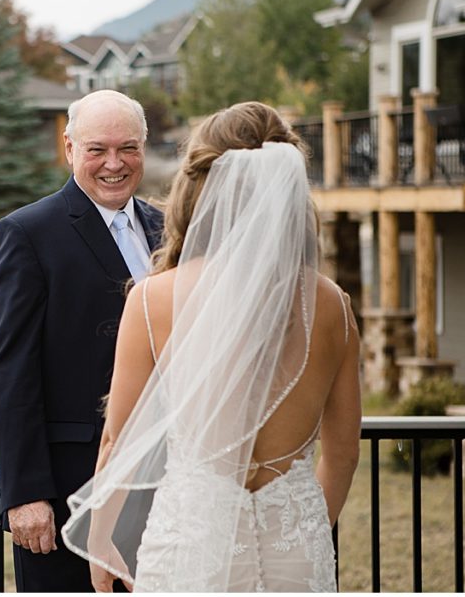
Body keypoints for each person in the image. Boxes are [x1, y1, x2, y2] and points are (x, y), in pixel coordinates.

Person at [62, 101, 362, 592]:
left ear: (201, 185)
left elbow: (118, 442)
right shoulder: (330, 303)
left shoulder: (154, 299)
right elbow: (344, 451)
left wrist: (100, 536)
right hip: (297, 550)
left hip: (192, 542)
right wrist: (305, 526)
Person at [0, 89, 164, 592]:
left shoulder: (168, 228)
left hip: (164, 485)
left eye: (128, 148)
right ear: (69, 148)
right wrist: (24, 494)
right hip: (66, 495)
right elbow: (7, 374)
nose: (114, 163)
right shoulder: (26, 233)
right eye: (96, 149)